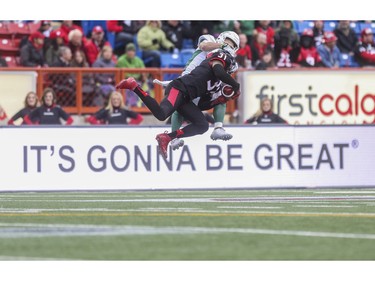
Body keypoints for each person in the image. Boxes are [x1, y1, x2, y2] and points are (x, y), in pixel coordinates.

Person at [116, 32, 240, 159]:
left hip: (188, 95)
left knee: (202, 125)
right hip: (181, 86)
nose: (230, 45)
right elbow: (208, 53)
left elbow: (204, 103)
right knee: (161, 114)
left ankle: (168, 137)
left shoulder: (218, 78)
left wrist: (220, 99)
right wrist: (235, 85)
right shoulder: (219, 54)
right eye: (229, 41)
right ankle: (134, 87)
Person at [153, 32, 239, 151]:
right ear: (222, 38)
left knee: (221, 98)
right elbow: (204, 46)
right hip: (190, 79)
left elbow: (221, 74)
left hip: (206, 87)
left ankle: (218, 128)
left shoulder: (227, 57)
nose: (229, 45)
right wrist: (221, 45)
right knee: (180, 108)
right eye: (229, 41)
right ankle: (173, 137)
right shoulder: (211, 42)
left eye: (233, 45)